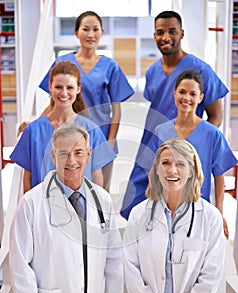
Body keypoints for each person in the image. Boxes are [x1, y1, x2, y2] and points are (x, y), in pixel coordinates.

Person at [9, 124, 124, 293]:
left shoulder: (102, 200)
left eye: (78, 152)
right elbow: (20, 267)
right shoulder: (31, 203)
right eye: (63, 153)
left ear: (89, 154)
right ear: (53, 156)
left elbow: (113, 257)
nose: (71, 160)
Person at [121, 10, 229, 218]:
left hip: (185, 145)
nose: (166, 38)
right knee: (136, 200)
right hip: (154, 139)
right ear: (154, 36)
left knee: (184, 204)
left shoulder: (200, 70)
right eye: (160, 32)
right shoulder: (153, 71)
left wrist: (197, 143)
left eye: (172, 31)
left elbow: (215, 115)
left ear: (182, 34)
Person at [123, 138, 226, 293]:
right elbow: (131, 271)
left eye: (181, 164)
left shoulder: (210, 217)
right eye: (166, 163)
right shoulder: (138, 214)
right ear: (157, 170)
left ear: (192, 171)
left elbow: (210, 277)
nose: (172, 170)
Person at [121, 70, 237, 237]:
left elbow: (219, 176)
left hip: (198, 207)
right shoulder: (161, 130)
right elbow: (154, 170)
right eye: (182, 92)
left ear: (201, 98)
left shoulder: (212, 134)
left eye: (193, 94)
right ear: (174, 94)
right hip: (165, 207)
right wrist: (150, 208)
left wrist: (219, 212)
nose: (186, 98)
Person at [39, 10, 134, 191]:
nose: (90, 34)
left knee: (101, 192)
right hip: (68, 137)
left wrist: (110, 141)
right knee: (66, 187)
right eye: (85, 29)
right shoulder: (63, 62)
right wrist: (34, 123)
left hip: (101, 135)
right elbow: (53, 103)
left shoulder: (110, 66)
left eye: (95, 29)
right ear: (76, 33)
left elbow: (117, 110)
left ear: (101, 33)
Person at [10, 61, 116, 193]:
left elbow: (96, 175)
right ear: (50, 87)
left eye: (70, 87)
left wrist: (96, 208)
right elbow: (28, 177)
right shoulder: (33, 131)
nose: (64, 93)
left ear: (78, 89)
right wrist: (30, 211)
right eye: (58, 87)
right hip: (43, 207)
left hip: (80, 207)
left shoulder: (91, 130)